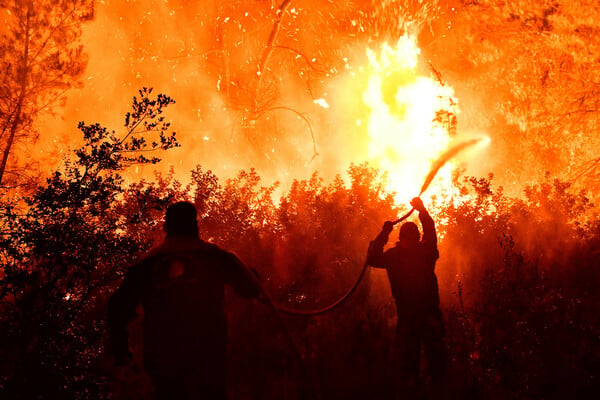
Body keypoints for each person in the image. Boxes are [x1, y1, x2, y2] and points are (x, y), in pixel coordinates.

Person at [107, 201, 261, 400]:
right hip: (207, 356)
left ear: (166, 228)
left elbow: (117, 308)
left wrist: (122, 353)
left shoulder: (148, 264)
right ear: (195, 226)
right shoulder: (214, 257)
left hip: (163, 360)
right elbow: (251, 286)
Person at [367, 197, 447, 397]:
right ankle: (428, 390)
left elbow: (373, 257)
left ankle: (431, 390)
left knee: (425, 362)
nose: (410, 244)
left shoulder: (395, 256)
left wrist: (384, 234)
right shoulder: (424, 252)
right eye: (410, 240)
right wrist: (422, 211)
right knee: (421, 361)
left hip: (416, 316)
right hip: (421, 316)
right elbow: (431, 233)